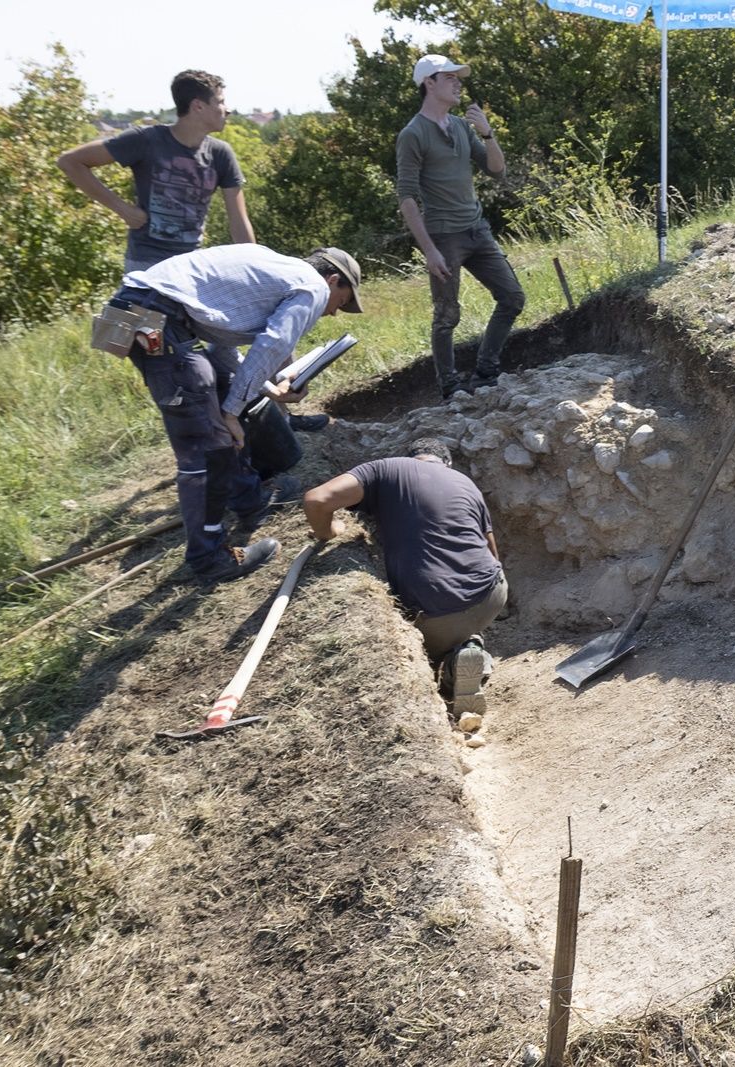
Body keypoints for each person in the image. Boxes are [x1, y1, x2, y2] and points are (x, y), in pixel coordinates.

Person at [58, 70, 329, 434]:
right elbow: (70, 161)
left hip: (196, 272)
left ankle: (277, 424)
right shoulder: (146, 140)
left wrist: (257, 264)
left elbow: (239, 222)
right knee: (165, 363)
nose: (227, 110)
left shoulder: (220, 154)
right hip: (148, 271)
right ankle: (205, 441)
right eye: (220, 102)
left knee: (233, 353)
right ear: (198, 106)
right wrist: (122, 209)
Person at [102, 244, 364, 583]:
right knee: (208, 447)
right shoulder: (311, 286)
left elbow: (220, 346)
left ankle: (249, 498)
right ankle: (209, 557)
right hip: (158, 319)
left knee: (222, 387)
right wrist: (230, 413)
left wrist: (265, 391)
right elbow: (272, 345)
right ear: (332, 280)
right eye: (340, 303)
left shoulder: (274, 267)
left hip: (142, 311)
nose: (332, 313)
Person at [302, 438, 508, 715]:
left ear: (412, 458)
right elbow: (491, 551)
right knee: (463, 618)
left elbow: (316, 500)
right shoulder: (464, 482)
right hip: (493, 594)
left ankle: (451, 671)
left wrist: (328, 532)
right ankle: (469, 645)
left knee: (428, 656)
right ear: (446, 463)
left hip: (435, 612)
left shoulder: (386, 469)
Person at [395, 54, 526, 400]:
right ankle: (449, 386)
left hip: (477, 229)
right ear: (429, 83)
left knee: (512, 297)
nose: (458, 83)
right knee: (447, 316)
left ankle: (485, 372)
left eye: (458, 77)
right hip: (444, 236)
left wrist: (487, 132)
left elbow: (496, 170)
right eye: (449, 77)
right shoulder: (412, 134)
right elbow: (407, 197)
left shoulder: (461, 126)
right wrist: (429, 250)